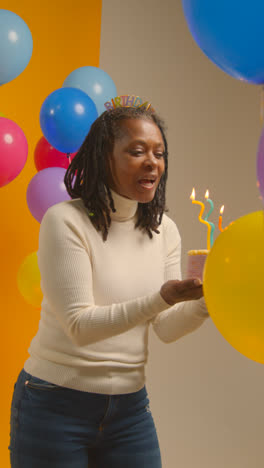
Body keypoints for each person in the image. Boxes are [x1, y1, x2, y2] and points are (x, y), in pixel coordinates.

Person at [9, 105, 209, 468]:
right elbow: (79, 328)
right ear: (104, 158)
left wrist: (207, 301)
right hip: (53, 407)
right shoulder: (65, 221)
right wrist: (162, 297)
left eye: (159, 153)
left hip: (130, 411)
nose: (152, 162)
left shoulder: (165, 230)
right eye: (137, 151)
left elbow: (164, 326)